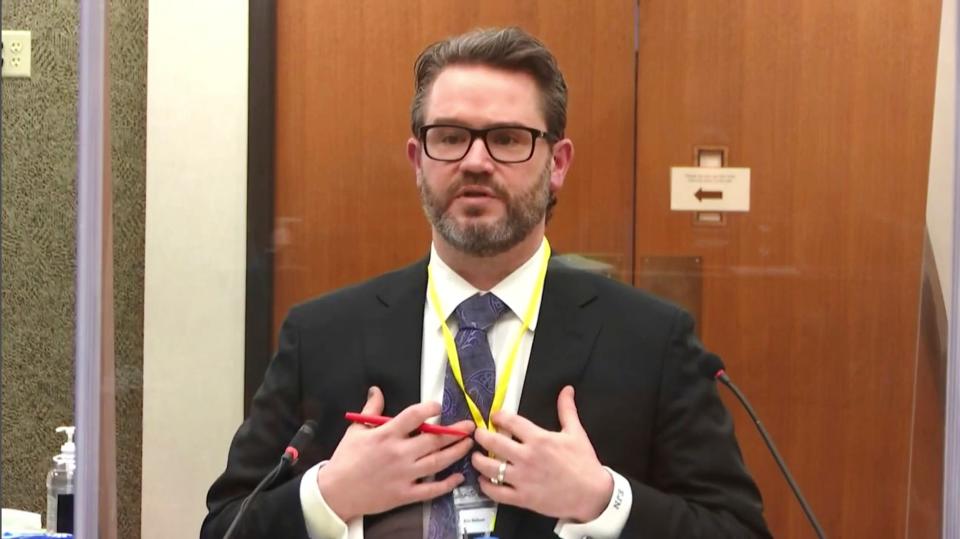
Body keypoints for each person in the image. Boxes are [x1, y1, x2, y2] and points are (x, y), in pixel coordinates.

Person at [201, 27, 770, 539]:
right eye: (449, 137)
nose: (476, 161)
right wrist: (329, 497)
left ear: (558, 162)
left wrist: (603, 502)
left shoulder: (653, 341)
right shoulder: (322, 335)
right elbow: (223, 528)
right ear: (417, 159)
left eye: (507, 137)